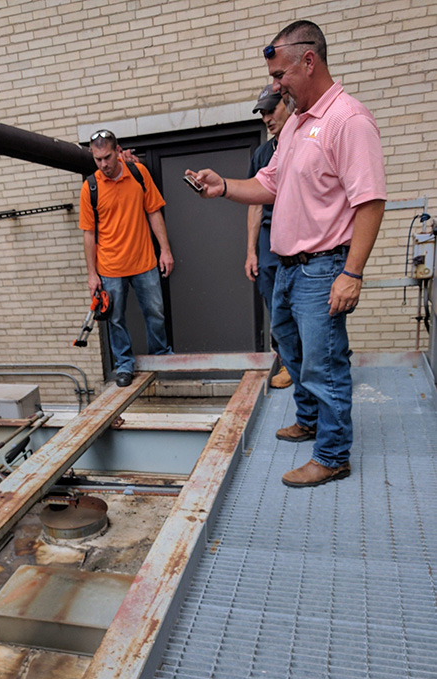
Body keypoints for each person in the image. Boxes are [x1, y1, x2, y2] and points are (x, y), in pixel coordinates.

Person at [187, 20, 386, 487]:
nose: (276, 86)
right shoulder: (296, 123)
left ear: (309, 61)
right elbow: (269, 184)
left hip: (323, 268)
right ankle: (310, 420)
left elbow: (371, 201)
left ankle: (333, 455)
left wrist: (351, 273)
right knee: (293, 354)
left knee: (325, 362)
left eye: (280, 76)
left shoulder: (348, 120)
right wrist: (222, 188)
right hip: (288, 269)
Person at [79, 130, 174, 387]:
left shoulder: (138, 173)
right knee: (115, 319)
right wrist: (92, 274)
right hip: (109, 267)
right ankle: (124, 364)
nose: (103, 164)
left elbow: (154, 212)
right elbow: (89, 234)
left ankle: (161, 358)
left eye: (107, 157)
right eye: (97, 159)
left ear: (118, 150)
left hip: (144, 261)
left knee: (155, 312)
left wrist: (164, 250)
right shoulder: (91, 187)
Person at [246, 84, 294, 389]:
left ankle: (311, 360)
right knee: (273, 300)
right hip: (267, 234)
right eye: (262, 113)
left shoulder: (304, 142)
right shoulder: (262, 153)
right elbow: (253, 201)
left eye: (271, 110)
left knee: (302, 298)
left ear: (288, 104)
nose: (266, 118)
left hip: (298, 233)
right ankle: (288, 361)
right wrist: (251, 251)